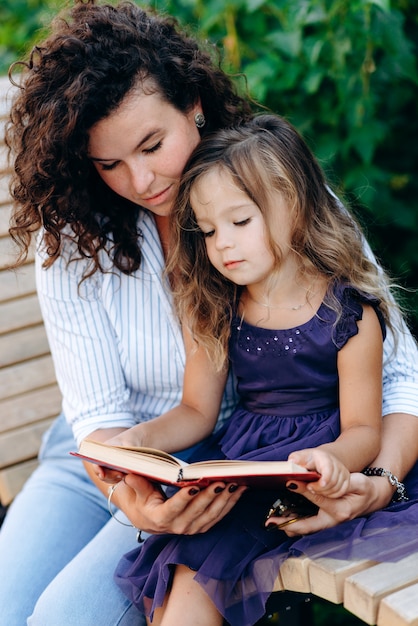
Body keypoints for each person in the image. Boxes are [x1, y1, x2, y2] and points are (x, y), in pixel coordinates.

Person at [0, 1, 416, 625]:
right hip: (106, 453)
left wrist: (380, 479)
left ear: (193, 103)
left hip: (218, 461)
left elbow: (398, 372)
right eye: (108, 163)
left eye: (151, 144)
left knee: (65, 618)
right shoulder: (73, 239)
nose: (140, 180)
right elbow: (100, 421)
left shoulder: (280, 200)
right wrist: (129, 491)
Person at [110, 113, 399, 625]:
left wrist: (330, 458)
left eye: (240, 222)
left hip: (313, 473)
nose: (221, 243)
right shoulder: (218, 308)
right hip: (245, 469)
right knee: (185, 568)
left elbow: (364, 429)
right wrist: (141, 439)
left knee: (200, 574)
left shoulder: (349, 315)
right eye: (208, 230)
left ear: (295, 205)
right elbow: (197, 411)